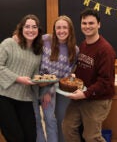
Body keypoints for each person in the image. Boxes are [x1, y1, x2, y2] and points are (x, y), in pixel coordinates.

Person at [62, 8, 116, 142]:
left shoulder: (105, 50)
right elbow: (83, 69)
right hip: (82, 95)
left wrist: (85, 94)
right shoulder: (84, 44)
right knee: (67, 127)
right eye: (84, 23)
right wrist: (74, 77)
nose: (87, 26)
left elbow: (105, 82)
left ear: (99, 24)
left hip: (98, 99)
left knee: (91, 137)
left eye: (91, 23)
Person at [33, 15, 79, 142]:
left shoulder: (74, 50)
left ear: (70, 30)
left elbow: (64, 76)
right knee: (35, 119)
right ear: (54, 29)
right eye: (58, 27)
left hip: (51, 88)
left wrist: (48, 91)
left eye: (65, 27)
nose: (61, 31)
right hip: (33, 84)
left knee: (50, 120)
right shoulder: (45, 40)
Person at [0, 14, 43, 142]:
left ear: (38, 30)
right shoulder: (9, 43)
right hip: (4, 97)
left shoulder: (37, 51)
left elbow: (34, 76)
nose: (30, 30)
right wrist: (18, 78)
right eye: (27, 26)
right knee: (16, 137)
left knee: (31, 137)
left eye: (34, 27)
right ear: (21, 28)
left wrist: (41, 83)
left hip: (25, 98)